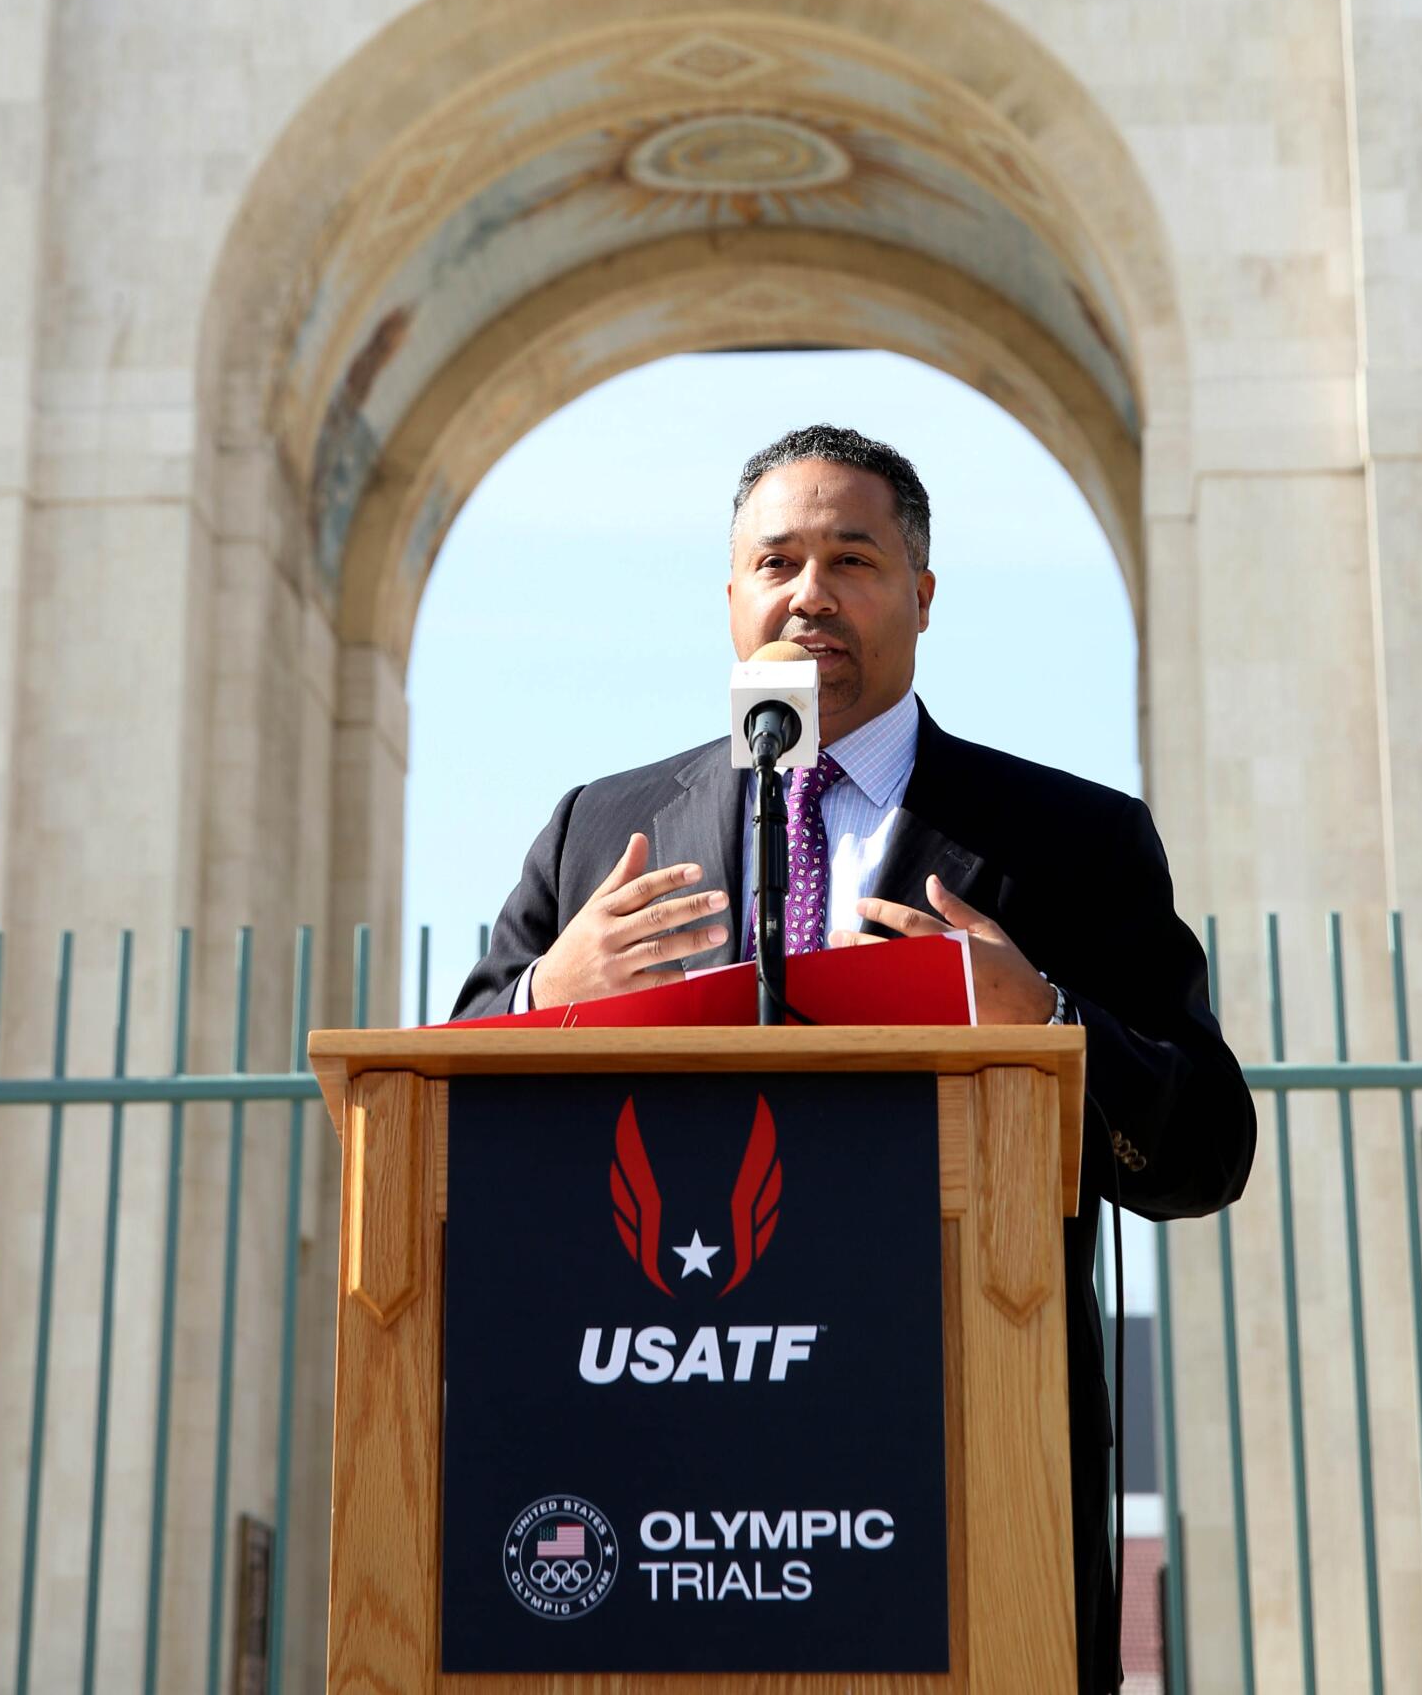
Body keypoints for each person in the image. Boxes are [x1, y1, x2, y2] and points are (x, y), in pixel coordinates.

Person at [454, 421, 1256, 1693]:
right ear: (729, 595)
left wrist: (1045, 1018)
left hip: (951, 1446)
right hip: (650, 1462)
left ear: (922, 596)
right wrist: (555, 991)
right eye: (774, 560)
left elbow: (1202, 1146)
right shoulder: (596, 828)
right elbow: (447, 1108)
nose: (808, 593)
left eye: (852, 557)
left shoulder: (1067, 839)